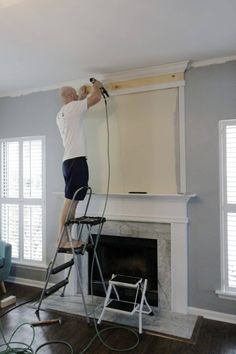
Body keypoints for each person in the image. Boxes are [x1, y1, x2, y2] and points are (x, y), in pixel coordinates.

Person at [56, 80, 103, 249]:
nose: (77, 96)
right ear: (69, 96)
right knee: (69, 201)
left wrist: (82, 96)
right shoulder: (72, 108)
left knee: (73, 201)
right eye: (74, 94)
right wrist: (97, 85)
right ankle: (62, 240)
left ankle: (67, 239)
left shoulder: (62, 113)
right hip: (76, 160)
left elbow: (77, 110)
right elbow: (96, 97)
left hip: (70, 161)